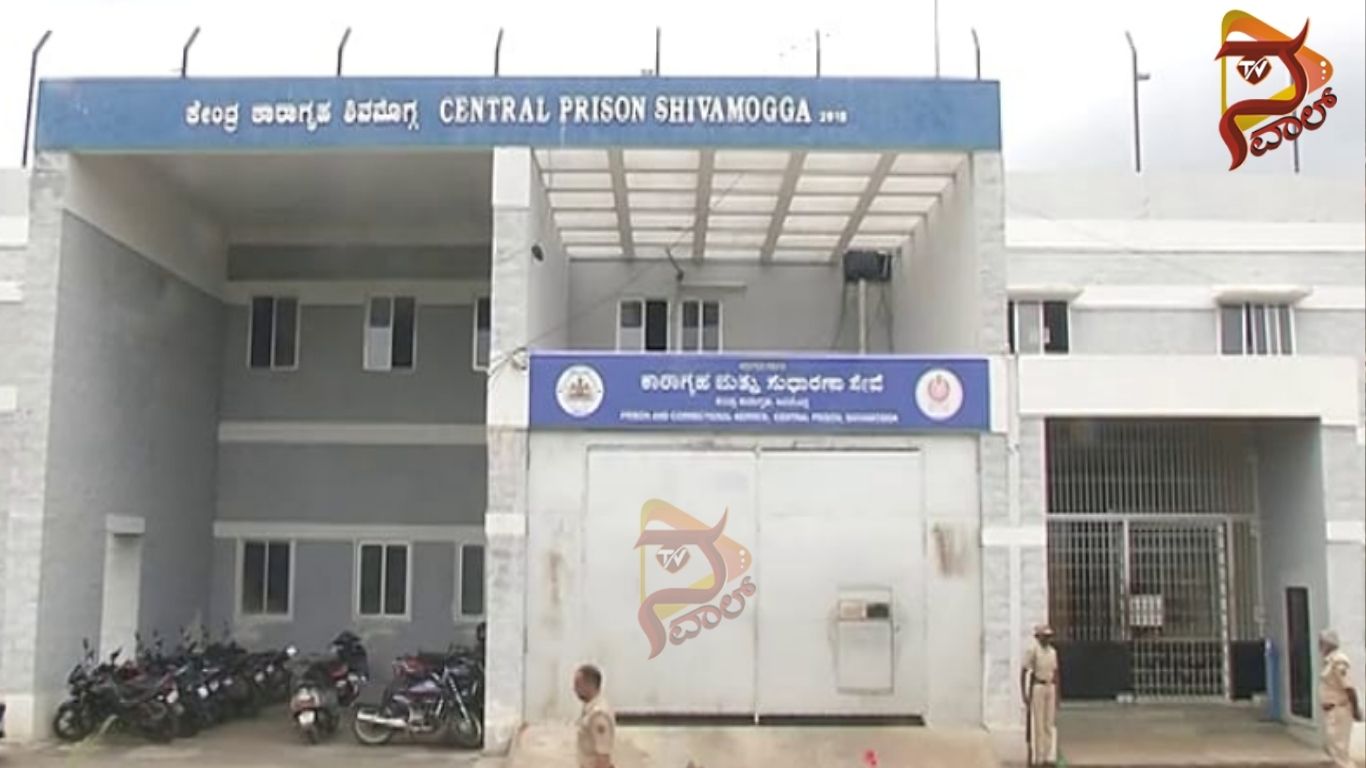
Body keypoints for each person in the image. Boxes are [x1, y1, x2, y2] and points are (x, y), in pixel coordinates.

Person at [1318, 629, 1361, 768]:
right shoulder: (1328, 661)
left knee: (1340, 751)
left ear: (1328, 644)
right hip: (1331, 711)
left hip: (1339, 710)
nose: (1319, 647)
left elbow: (1349, 687)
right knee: (1334, 749)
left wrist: (1355, 709)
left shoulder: (1338, 661)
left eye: (1321, 643)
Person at [1020, 624, 1061, 767]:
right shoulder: (1033, 651)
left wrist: (1058, 694)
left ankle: (1048, 756)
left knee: (1049, 723)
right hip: (1038, 686)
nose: (1047, 639)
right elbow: (1024, 671)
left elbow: (1056, 673)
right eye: (1044, 636)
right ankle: (1039, 756)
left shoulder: (1052, 652)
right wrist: (1024, 693)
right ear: (1038, 637)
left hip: (1050, 686)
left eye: (1049, 636)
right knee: (1038, 723)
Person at [574, 663, 616, 768]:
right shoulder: (590, 710)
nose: (574, 689)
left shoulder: (598, 714)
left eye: (578, 685)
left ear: (589, 685)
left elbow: (603, 756)